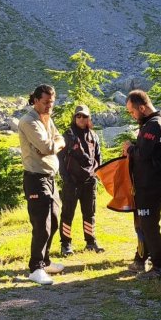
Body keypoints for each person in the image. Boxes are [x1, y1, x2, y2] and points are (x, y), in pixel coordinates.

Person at [18, 84, 66, 285]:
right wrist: (54, 145)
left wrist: (56, 144)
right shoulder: (29, 122)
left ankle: (45, 261)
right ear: (35, 100)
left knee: (54, 220)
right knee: (41, 224)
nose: (49, 107)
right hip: (36, 178)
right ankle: (35, 267)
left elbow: (59, 139)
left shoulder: (46, 119)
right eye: (46, 102)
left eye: (51, 103)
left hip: (49, 177)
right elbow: (47, 147)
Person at [123, 89, 161, 280]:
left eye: (132, 111)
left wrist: (130, 148)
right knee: (144, 223)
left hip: (152, 185)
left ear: (142, 107)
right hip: (149, 184)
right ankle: (141, 259)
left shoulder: (155, 125)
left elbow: (144, 153)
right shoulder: (155, 122)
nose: (132, 115)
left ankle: (160, 267)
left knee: (149, 224)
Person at [58, 105, 104, 256]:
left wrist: (96, 174)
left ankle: (90, 242)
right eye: (78, 116)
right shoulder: (68, 136)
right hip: (72, 182)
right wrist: (66, 178)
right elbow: (60, 158)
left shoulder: (93, 136)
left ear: (89, 118)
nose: (81, 119)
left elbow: (98, 158)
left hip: (89, 182)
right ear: (74, 117)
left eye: (84, 116)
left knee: (89, 213)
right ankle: (66, 244)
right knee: (67, 213)